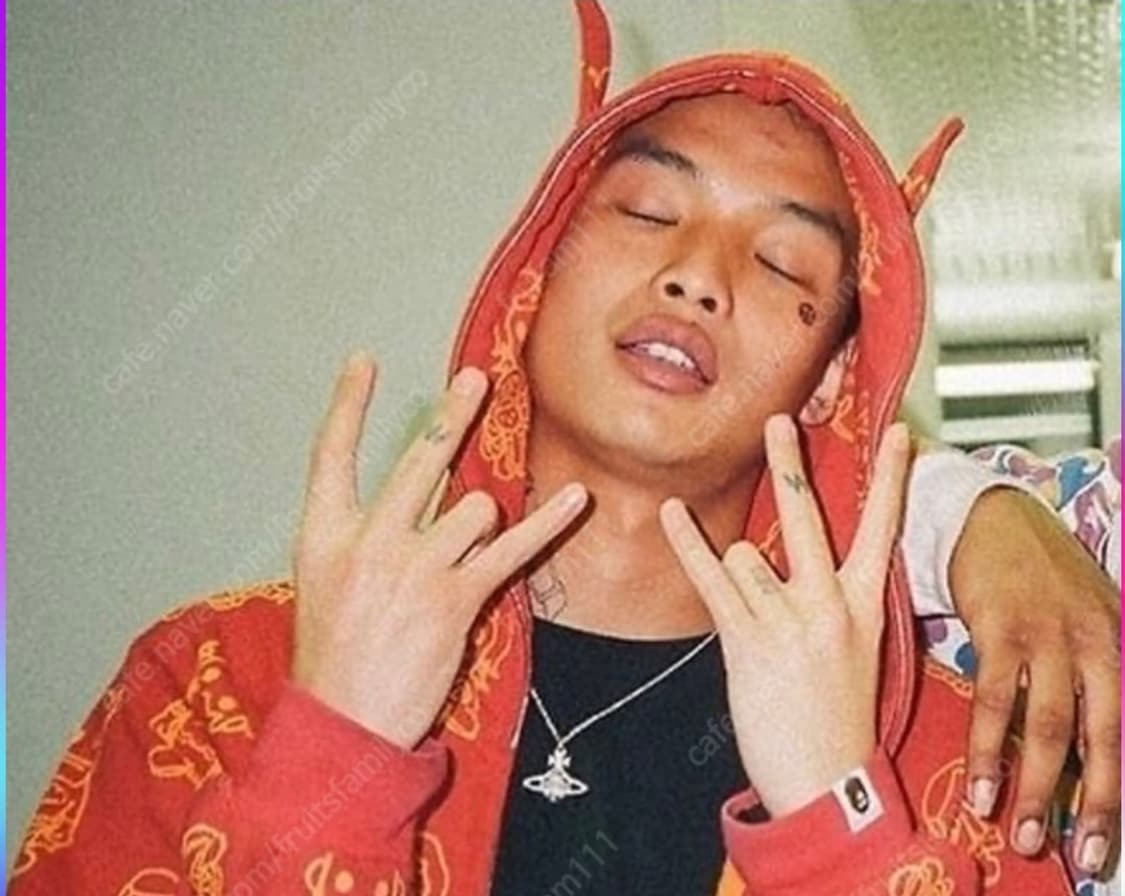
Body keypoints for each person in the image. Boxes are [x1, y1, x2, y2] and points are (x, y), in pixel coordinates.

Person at [9, 3, 1119, 894]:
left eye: (783, 264)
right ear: (532, 270)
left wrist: (838, 824)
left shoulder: (953, 765)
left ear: (834, 373)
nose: (697, 276)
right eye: (646, 212)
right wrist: (332, 757)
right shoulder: (219, 681)